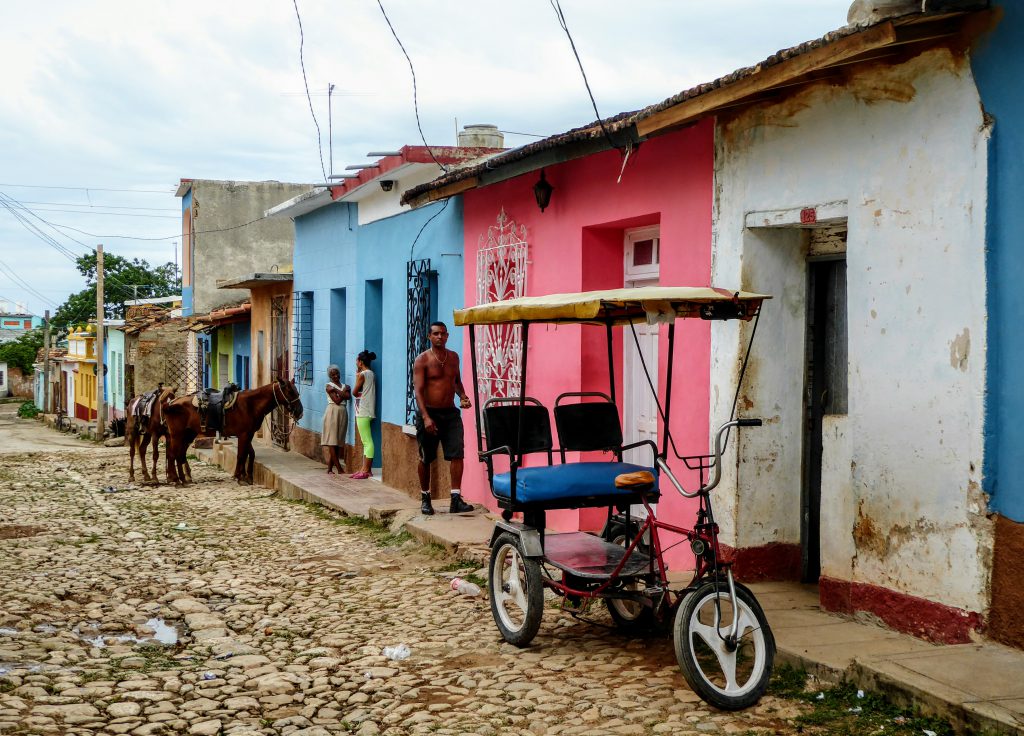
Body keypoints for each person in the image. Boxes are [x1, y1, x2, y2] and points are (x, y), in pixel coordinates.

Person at [413, 321, 473, 515]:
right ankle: (425, 498)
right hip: (429, 413)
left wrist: (462, 396)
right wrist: (426, 418)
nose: (440, 337)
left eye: (444, 334)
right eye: (436, 334)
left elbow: (456, 381)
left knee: (457, 454)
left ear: (447, 336)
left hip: (450, 414)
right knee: (426, 457)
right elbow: (419, 391)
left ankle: (455, 499)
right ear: (429, 337)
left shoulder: (453, 357)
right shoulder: (422, 360)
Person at [351, 350, 377, 480]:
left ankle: (366, 470)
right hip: (369, 410)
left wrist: (356, 377)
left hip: (363, 410)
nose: (356, 362)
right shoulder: (371, 374)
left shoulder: (362, 374)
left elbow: (355, 392)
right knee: (366, 440)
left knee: (367, 441)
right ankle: (364, 469)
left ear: (361, 362)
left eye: (357, 360)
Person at [322, 364, 351, 475]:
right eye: (332, 374)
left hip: (343, 412)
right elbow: (337, 401)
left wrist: (337, 390)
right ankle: (339, 468)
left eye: (336, 373)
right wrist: (342, 390)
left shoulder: (343, 385)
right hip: (332, 411)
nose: (335, 376)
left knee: (339, 441)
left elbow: (348, 397)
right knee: (332, 440)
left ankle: (329, 469)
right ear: (330, 376)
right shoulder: (328, 386)